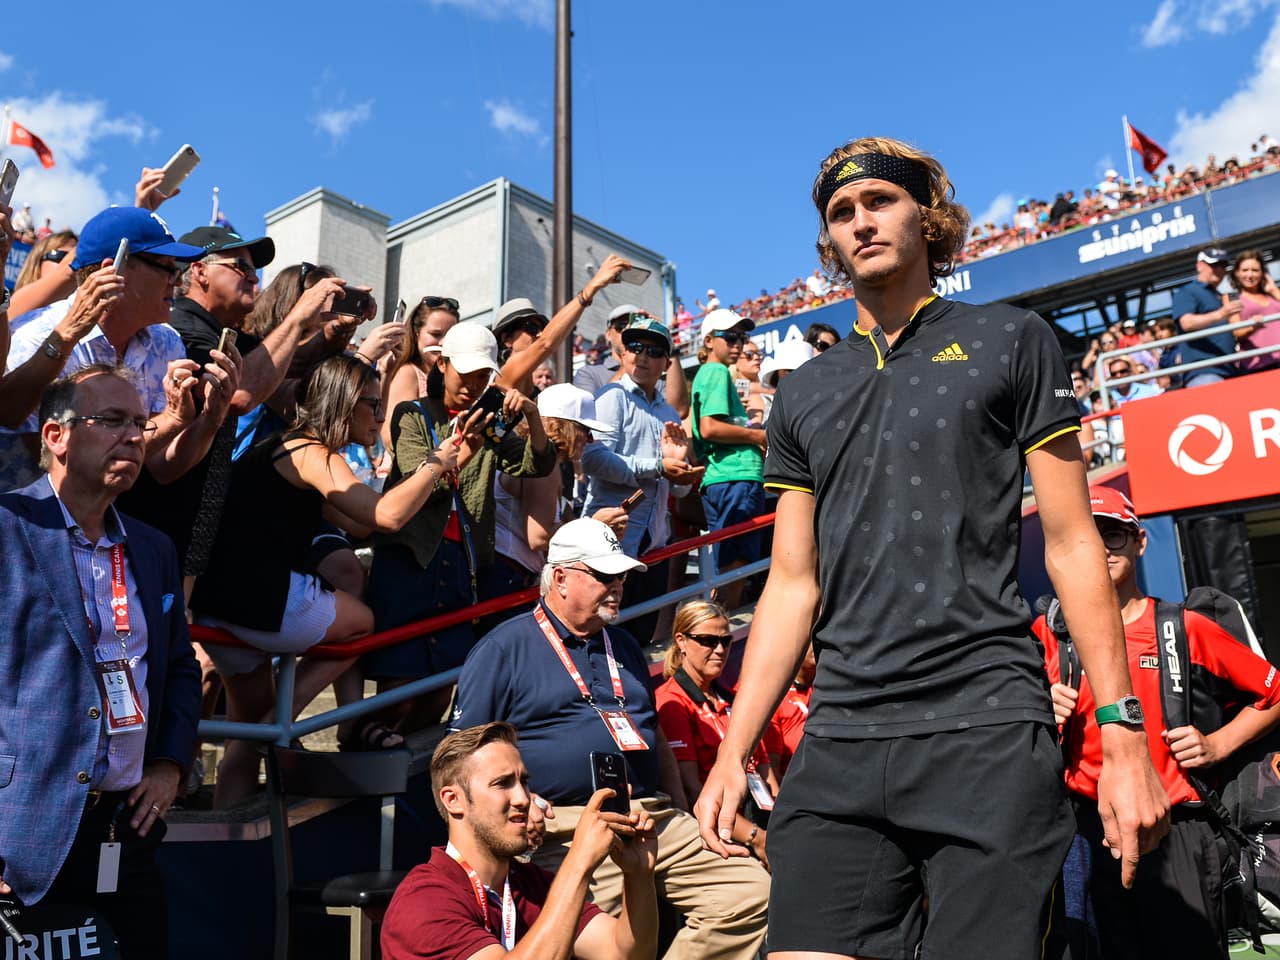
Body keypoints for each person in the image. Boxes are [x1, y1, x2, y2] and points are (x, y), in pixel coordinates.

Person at [695, 135, 1170, 960]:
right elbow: (792, 585)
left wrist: (1122, 731)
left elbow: (1070, 544)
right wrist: (734, 749)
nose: (860, 222)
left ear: (930, 218)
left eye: (880, 201)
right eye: (841, 212)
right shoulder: (802, 394)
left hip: (985, 726)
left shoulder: (1011, 339)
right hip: (840, 740)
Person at [452, 518, 770, 960]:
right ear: (560, 579)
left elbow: (653, 733)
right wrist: (525, 802)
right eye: (603, 575)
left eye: (620, 577)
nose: (617, 586)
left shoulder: (624, 645)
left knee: (750, 892)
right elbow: (461, 756)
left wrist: (679, 805)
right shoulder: (504, 648)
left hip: (651, 815)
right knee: (607, 933)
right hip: (566, 824)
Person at [0, 364, 200, 957]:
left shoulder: (153, 547)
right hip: (21, 835)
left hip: (125, 827)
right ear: (56, 436)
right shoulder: (8, 528)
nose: (134, 436)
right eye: (112, 420)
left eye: (140, 423)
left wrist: (169, 763)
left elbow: (179, 666)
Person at [1038, 486, 1280, 959]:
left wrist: (1218, 743)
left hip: (1177, 829)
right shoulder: (1049, 633)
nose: (1102, 548)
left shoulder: (1183, 626)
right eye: (1090, 534)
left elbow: (1273, 693)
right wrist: (1041, 709)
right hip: (1081, 833)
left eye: (1114, 534)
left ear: (1140, 542)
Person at [365, 322, 557, 728]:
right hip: (410, 557)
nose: (471, 384)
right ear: (442, 364)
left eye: (482, 375)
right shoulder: (413, 413)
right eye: (464, 372)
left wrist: (532, 416)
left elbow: (535, 464)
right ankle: (368, 758)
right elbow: (422, 482)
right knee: (397, 688)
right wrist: (468, 448)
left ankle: (412, 770)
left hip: (460, 561)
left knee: (440, 691)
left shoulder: (487, 421)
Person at [1, 207, 241, 493]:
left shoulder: (165, 342)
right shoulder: (37, 336)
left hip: (93, 518)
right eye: (167, 268)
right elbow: (62, 462)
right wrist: (172, 420)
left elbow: (163, 468)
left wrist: (211, 418)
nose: (177, 281)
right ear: (112, 271)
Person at [381, 721, 658, 960]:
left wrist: (639, 874)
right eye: (502, 783)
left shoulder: (528, 884)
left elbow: (626, 954)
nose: (523, 798)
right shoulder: (423, 901)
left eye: (523, 781)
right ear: (453, 800)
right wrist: (579, 861)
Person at [581, 317, 702, 642]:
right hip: (609, 542)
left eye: (654, 351)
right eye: (635, 346)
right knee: (599, 639)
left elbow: (676, 489)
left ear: (666, 364)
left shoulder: (668, 413)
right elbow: (592, 459)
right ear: (623, 353)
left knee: (638, 641)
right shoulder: (612, 396)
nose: (642, 356)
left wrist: (682, 473)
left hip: (652, 548)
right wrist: (659, 466)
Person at [655, 600, 776, 866]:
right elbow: (692, 790)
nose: (720, 650)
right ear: (681, 641)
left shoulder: (732, 699)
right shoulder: (671, 701)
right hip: (723, 834)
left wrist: (781, 828)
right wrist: (756, 838)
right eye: (708, 641)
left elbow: (766, 773)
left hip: (762, 823)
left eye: (726, 641)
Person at [690, 308, 767, 611]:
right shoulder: (717, 372)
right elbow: (710, 427)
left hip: (726, 477)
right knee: (736, 564)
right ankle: (721, 622)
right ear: (709, 341)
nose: (738, 344)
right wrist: (757, 436)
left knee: (730, 563)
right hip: (735, 476)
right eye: (730, 337)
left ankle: (718, 619)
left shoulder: (712, 373)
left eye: (742, 338)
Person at [382, 295, 460, 449]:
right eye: (435, 334)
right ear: (417, 332)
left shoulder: (454, 376)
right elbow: (392, 435)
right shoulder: (409, 373)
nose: (443, 342)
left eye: (450, 336)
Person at [1172, 247, 1241, 388]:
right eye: (1214, 265)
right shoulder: (1188, 291)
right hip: (1204, 372)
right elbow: (1186, 323)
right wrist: (1220, 314)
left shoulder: (1220, 295)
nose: (1219, 269)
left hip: (1229, 370)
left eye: (1223, 265)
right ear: (1200, 266)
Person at [1229, 248, 1280, 373]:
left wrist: (1274, 290)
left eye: (1255, 270)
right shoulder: (1233, 297)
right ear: (1237, 273)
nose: (1250, 275)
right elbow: (1237, 331)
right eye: (1245, 270)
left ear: (1262, 273)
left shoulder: (1272, 294)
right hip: (1258, 365)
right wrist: (1252, 327)